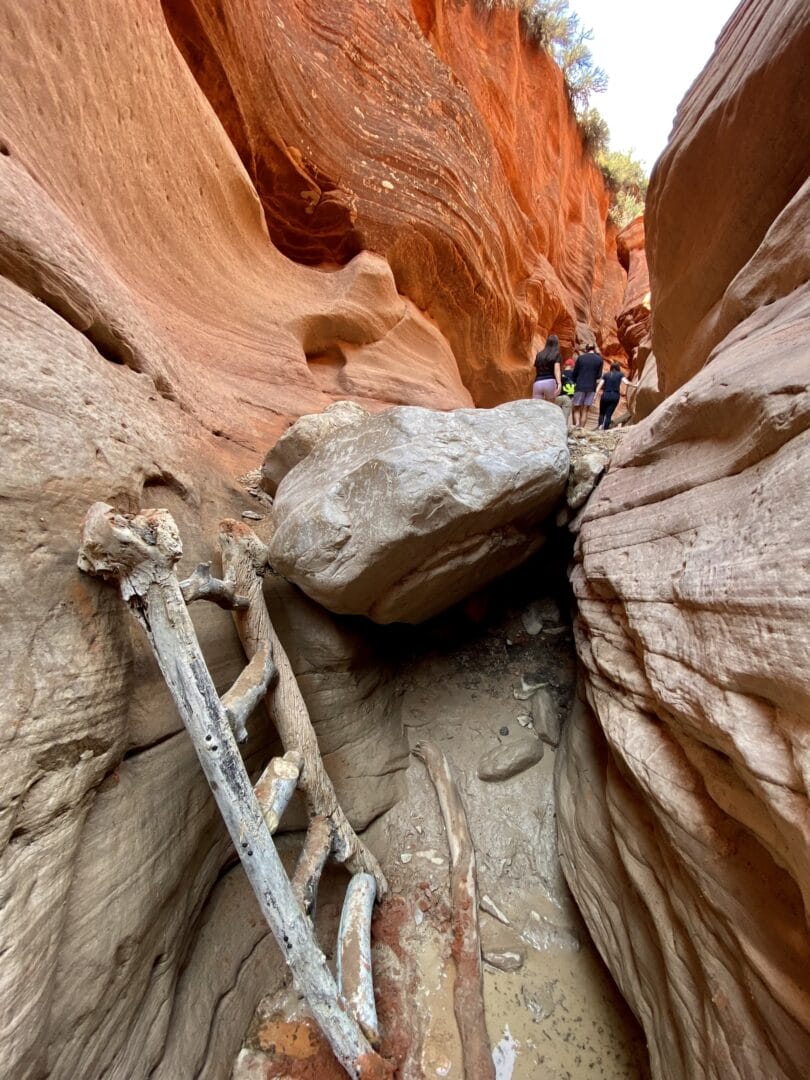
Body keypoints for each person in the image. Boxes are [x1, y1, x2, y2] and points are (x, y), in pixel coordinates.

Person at [571, 344, 604, 428]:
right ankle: (582, 428)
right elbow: (598, 376)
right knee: (585, 410)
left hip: (580, 386)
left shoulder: (581, 358)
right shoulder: (599, 360)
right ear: (594, 349)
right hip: (591, 387)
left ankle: (577, 424)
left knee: (576, 407)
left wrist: (575, 381)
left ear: (586, 349)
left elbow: (575, 372)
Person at [596, 362, 628, 430]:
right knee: (609, 414)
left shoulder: (606, 375)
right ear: (618, 368)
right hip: (615, 395)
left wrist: (595, 395)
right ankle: (605, 429)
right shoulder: (620, 374)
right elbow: (626, 382)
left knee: (602, 413)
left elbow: (600, 385)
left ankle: (600, 426)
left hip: (605, 394)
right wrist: (636, 386)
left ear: (611, 367)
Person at [531, 334, 561, 402]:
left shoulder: (539, 355)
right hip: (550, 382)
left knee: (536, 405)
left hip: (538, 382)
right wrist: (559, 383)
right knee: (551, 405)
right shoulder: (556, 354)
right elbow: (557, 370)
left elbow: (535, 369)